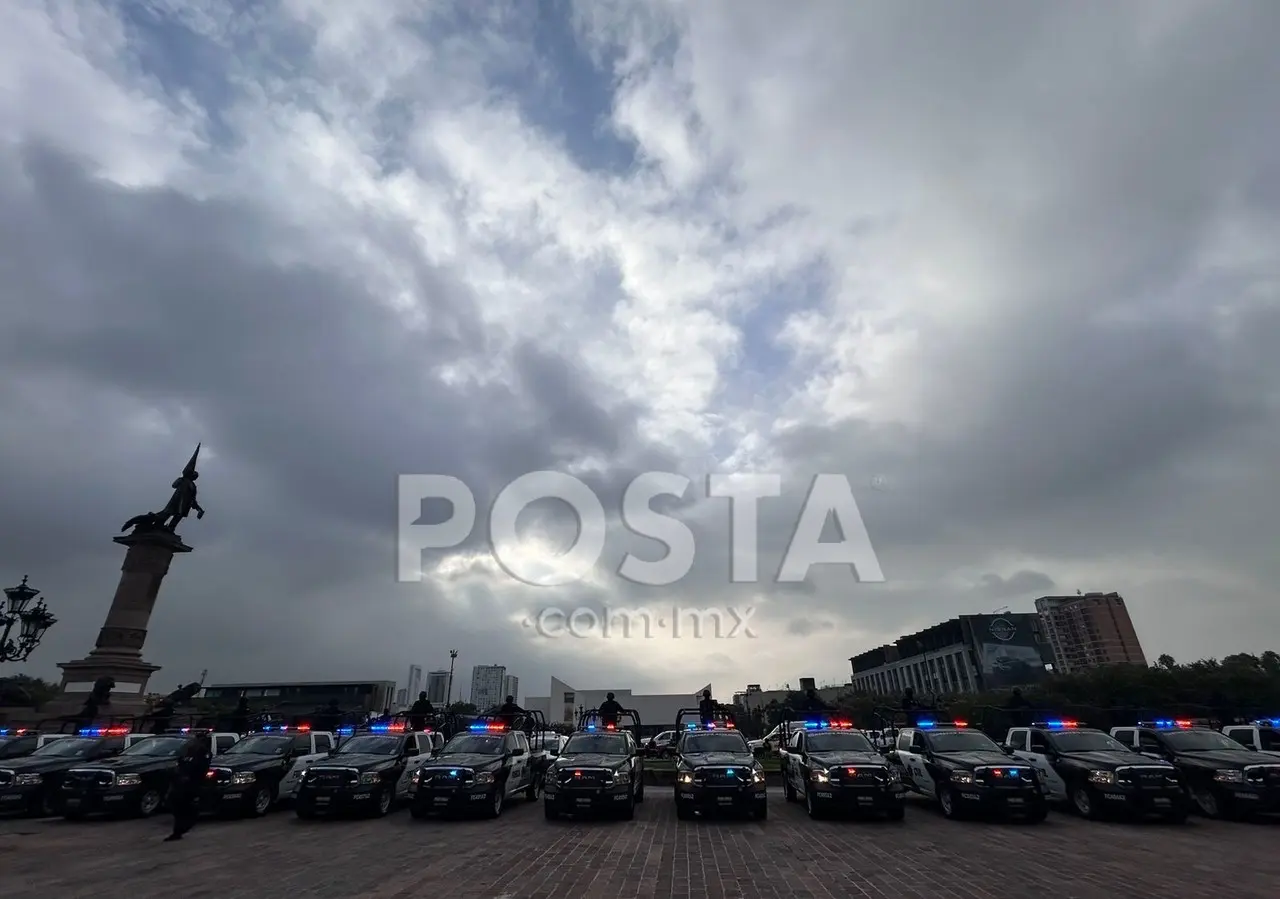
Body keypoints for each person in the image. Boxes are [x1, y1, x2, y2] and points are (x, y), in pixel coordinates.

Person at [165, 732, 212, 842]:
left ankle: (181, 829)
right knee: (174, 804)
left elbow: (201, 769)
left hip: (192, 783)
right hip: (180, 783)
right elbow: (181, 762)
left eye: (198, 740)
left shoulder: (203, 752)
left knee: (186, 806)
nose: (195, 742)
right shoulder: (188, 751)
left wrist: (190, 778)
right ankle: (180, 829)